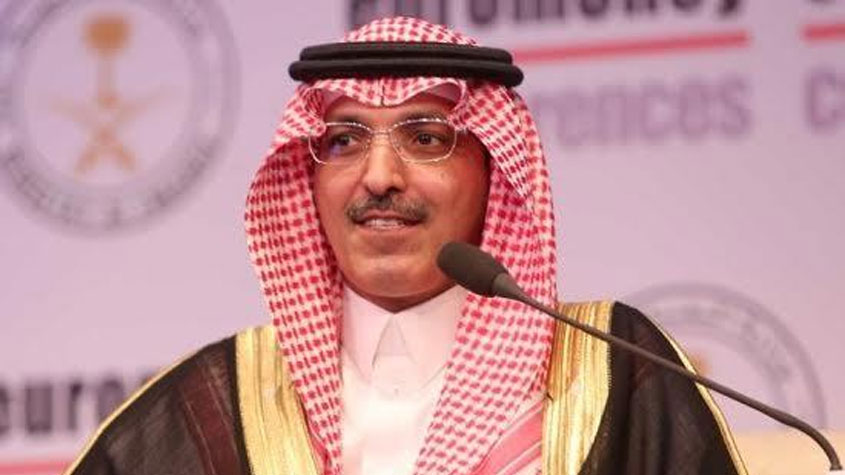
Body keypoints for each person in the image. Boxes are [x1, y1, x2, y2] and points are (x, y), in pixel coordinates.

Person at [64, 17, 747, 475]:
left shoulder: (613, 374)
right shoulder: (212, 405)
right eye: (343, 141)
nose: (380, 177)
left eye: (426, 138)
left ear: (493, 172)